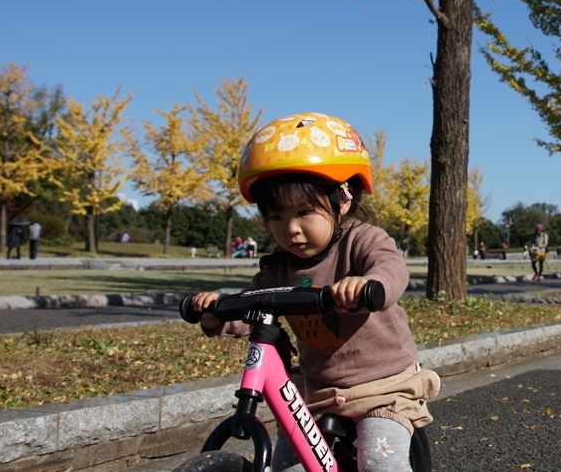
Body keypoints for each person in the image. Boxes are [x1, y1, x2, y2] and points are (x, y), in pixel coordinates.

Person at [188, 113, 439, 472]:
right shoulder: (278, 268)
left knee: (379, 462)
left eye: (304, 212)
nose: (291, 229)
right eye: (276, 217)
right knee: (287, 465)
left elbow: (392, 269)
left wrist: (368, 285)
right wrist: (218, 312)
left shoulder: (361, 240)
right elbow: (253, 308)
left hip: (383, 388)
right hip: (316, 391)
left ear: (342, 200)